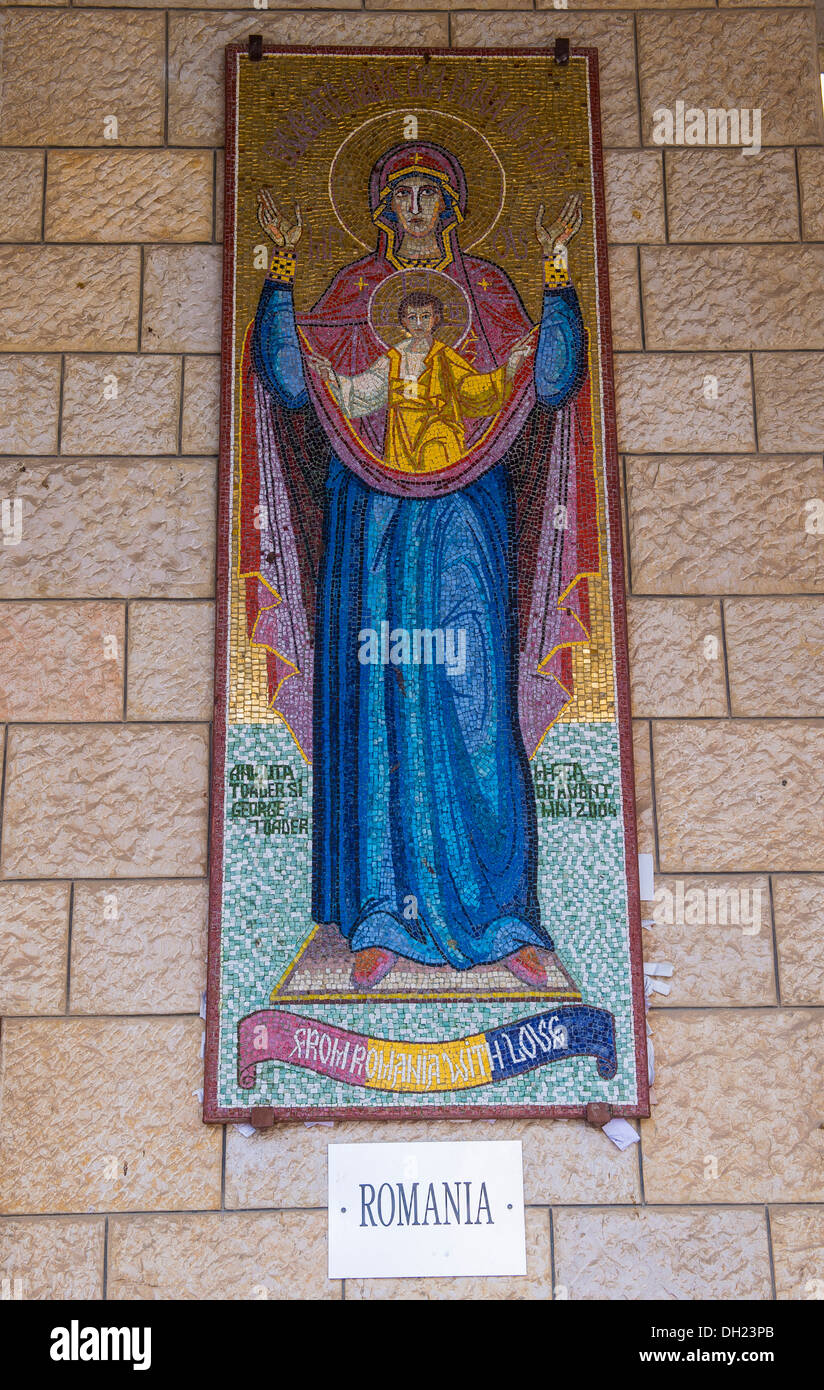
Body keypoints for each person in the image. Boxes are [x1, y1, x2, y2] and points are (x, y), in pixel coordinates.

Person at [240, 140, 595, 989]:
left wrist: (555, 271)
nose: (417, 210)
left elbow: (551, 379)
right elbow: (294, 382)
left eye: (431, 194)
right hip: (375, 525)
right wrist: (282, 268)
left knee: (471, 703)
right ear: (381, 210)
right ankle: (380, 917)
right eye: (401, 197)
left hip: (466, 524)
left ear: (455, 205)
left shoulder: (492, 296)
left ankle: (503, 917)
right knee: (382, 701)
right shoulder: (356, 297)